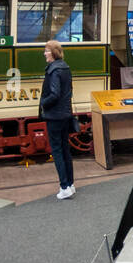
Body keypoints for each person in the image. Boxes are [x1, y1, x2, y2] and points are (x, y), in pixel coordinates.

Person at [40, 39, 75, 199]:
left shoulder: (54, 70)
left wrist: (43, 103)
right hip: (65, 114)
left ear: (53, 53)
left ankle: (64, 187)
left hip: (54, 116)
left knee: (58, 151)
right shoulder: (65, 68)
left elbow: (54, 94)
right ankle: (71, 184)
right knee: (65, 149)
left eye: (47, 51)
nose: (44, 53)